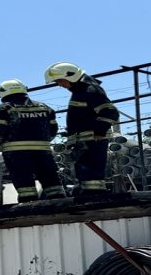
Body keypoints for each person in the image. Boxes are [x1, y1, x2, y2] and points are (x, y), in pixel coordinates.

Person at [44, 62, 119, 201]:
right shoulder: (81, 92)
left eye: (60, 81)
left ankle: (93, 196)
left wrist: (100, 131)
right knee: (85, 171)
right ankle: (88, 193)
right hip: (85, 140)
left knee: (92, 171)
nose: (59, 84)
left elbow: (110, 111)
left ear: (70, 76)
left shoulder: (91, 90)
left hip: (92, 140)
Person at [0, 79, 64, 202]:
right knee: (50, 177)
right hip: (43, 152)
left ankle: (28, 204)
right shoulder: (45, 107)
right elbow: (53, 129)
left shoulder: (2, 109)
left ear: (3, 92)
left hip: (16, 153)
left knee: (23, 180)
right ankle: (60, 201)